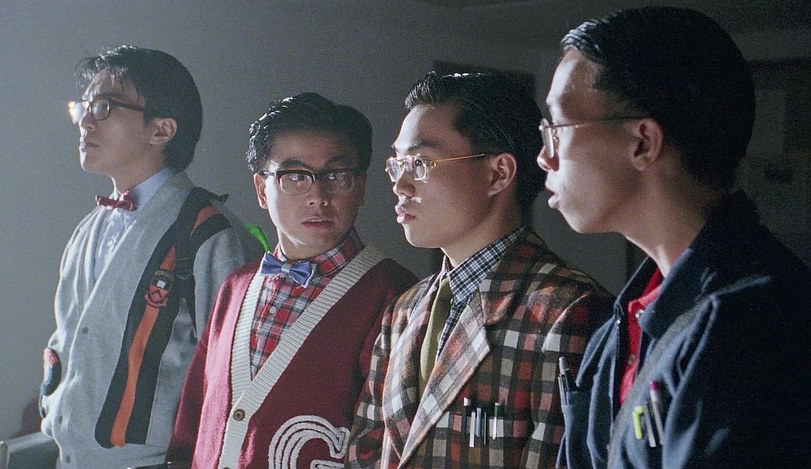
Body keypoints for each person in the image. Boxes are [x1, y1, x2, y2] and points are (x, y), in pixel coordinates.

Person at [537, 7, 811, 468]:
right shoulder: (622, 326)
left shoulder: (753, 326)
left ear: (643, 142)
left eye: (558, 128)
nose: (545, 158)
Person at [345, 72, 612, 468]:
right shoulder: (403, 310)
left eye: (420, 163)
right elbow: (365, 454)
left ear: (498, 173)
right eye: (397, 163)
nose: (400, 184)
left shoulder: (565, 312)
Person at [165, 92, 418, 468]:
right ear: (261, 189)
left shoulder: (395, 295)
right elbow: (193, 416)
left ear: (361, 187)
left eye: (337, 176)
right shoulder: (236, 286)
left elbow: (389, 444)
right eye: (295, 177)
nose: (318, 196)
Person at [38, 45, 262, 468]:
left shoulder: (207, 232)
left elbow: (231, 376)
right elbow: (67, 340)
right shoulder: (89, 228)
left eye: (104, 106)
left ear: (161, 131)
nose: (86, 120)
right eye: (84, 106)